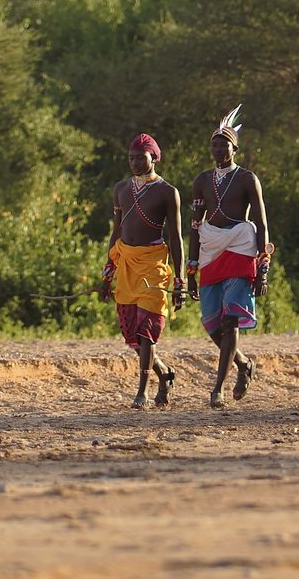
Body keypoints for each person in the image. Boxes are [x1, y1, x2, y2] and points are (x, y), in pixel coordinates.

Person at [186, 104, 271, 407]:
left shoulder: (248, 179)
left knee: (230, 320)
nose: (219, 149)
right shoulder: (201, 180)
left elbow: (261, 223)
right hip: (210, 249)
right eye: (215, 144)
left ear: (235, 148)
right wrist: (191, 270)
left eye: (225, 144)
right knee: (212, 322)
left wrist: (263, 267)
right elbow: (195, 226)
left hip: (240, 246)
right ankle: (243, 364)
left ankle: (217, 387)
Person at [97, 132, 188, 408]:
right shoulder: (121, 189)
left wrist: (180, 280)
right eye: (131, 158)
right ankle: (164, 373)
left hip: (153, 267)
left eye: (141, 158)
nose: (135, 163)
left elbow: (175, 238)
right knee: (133, 334)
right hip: (126, 264)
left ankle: (141, 393)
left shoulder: (167, 192)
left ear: (154, 158)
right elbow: (116, 232)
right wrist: (107, 274)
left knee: (148, 330)